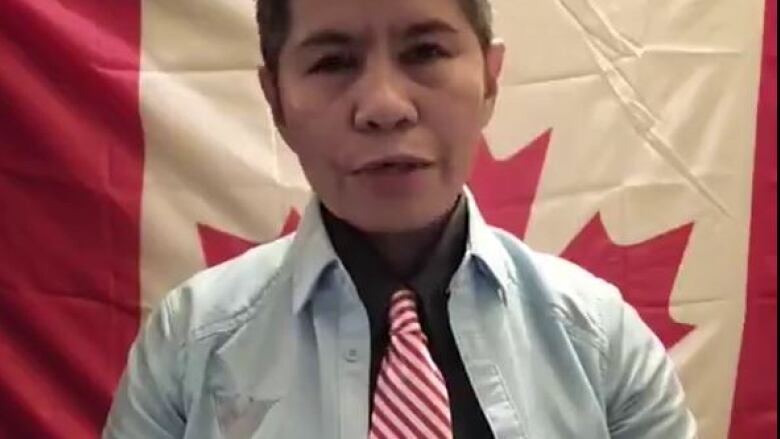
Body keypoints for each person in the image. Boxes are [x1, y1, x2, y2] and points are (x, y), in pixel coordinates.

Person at [103, 0, 698, 437]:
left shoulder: (599, 341)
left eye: (426, 52)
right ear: (275, 100)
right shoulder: (188, 347)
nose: (385, 106)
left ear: (490, 79)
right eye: (333, 62)